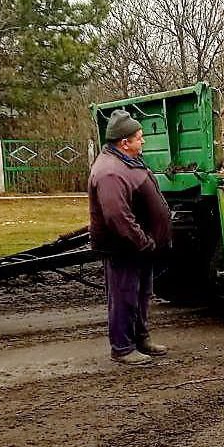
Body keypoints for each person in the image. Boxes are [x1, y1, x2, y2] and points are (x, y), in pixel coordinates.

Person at [89, 110, 172, 365]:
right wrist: (143, 241)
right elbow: (118, 218)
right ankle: (123, 348)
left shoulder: (127, 161)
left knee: (141, 294)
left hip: (140, 247)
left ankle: (140, 338)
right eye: (139, 137)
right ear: (124, 142)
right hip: (124, 248)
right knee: (124, 296)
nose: (143, 141)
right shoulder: (110, 172)